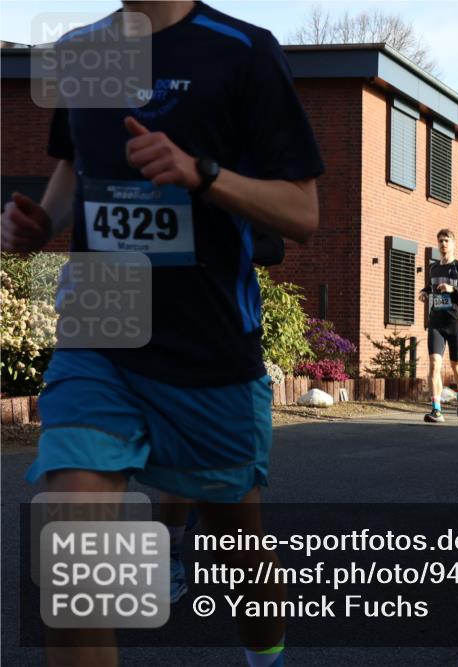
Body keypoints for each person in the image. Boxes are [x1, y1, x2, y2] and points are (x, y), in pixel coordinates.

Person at [2, 3, 324, 665]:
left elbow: (303, 210)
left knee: (244, 558)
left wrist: (202, 173)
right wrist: (44, 223)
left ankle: (268, 657)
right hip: (101, 334)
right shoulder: (82, 48)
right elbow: (74, 168)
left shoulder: (243, 50)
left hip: (208, 348)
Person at [419, 228, 458, 423]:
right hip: (436, 323)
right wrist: (424, 292)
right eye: (440, 241)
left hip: (456, 323)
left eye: (447, 240)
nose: (443, 244)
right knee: (434, 364)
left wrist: (454, 289)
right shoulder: (433, 268)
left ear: (453, 244)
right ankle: (436, 409)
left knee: (457, 365)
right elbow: (429, 286)